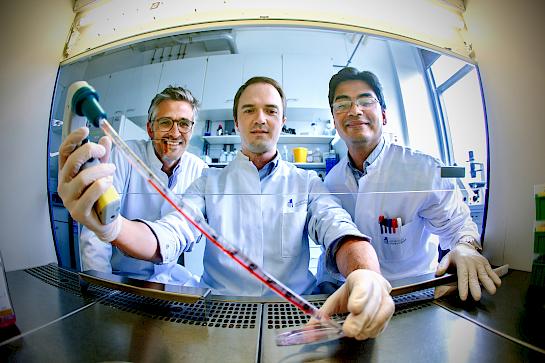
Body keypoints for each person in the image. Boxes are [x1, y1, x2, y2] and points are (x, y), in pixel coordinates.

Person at [58, 76, 395, 341]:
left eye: (270, 110)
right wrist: (113, 229)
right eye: (249, 110)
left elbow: (340, 230)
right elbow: (170, 233)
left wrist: (364, 272)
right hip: (221, 317)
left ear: (283, 121)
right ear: (236, 122)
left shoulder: (306, 182)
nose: (260, 119)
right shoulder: (209, 182)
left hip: (297, 315)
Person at [317, 67, 501, 301]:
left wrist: (465, 247)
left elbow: (458, 228)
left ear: (383, 115)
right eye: (342, 105)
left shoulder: (423, 169)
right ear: (334, 120)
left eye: (366, 101)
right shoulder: (333, 181)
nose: (354, 110)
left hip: (415, 297)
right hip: (357, 300)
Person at [78, 86, 207, 284]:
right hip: (120, 277)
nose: (175, 133)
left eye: (184, 124)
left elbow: (189, 230)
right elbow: (96, 232)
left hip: (170, 279)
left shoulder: (198, 169)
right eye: (165, 122)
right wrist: (102, 287)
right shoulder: (123, 157)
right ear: (150, 128)